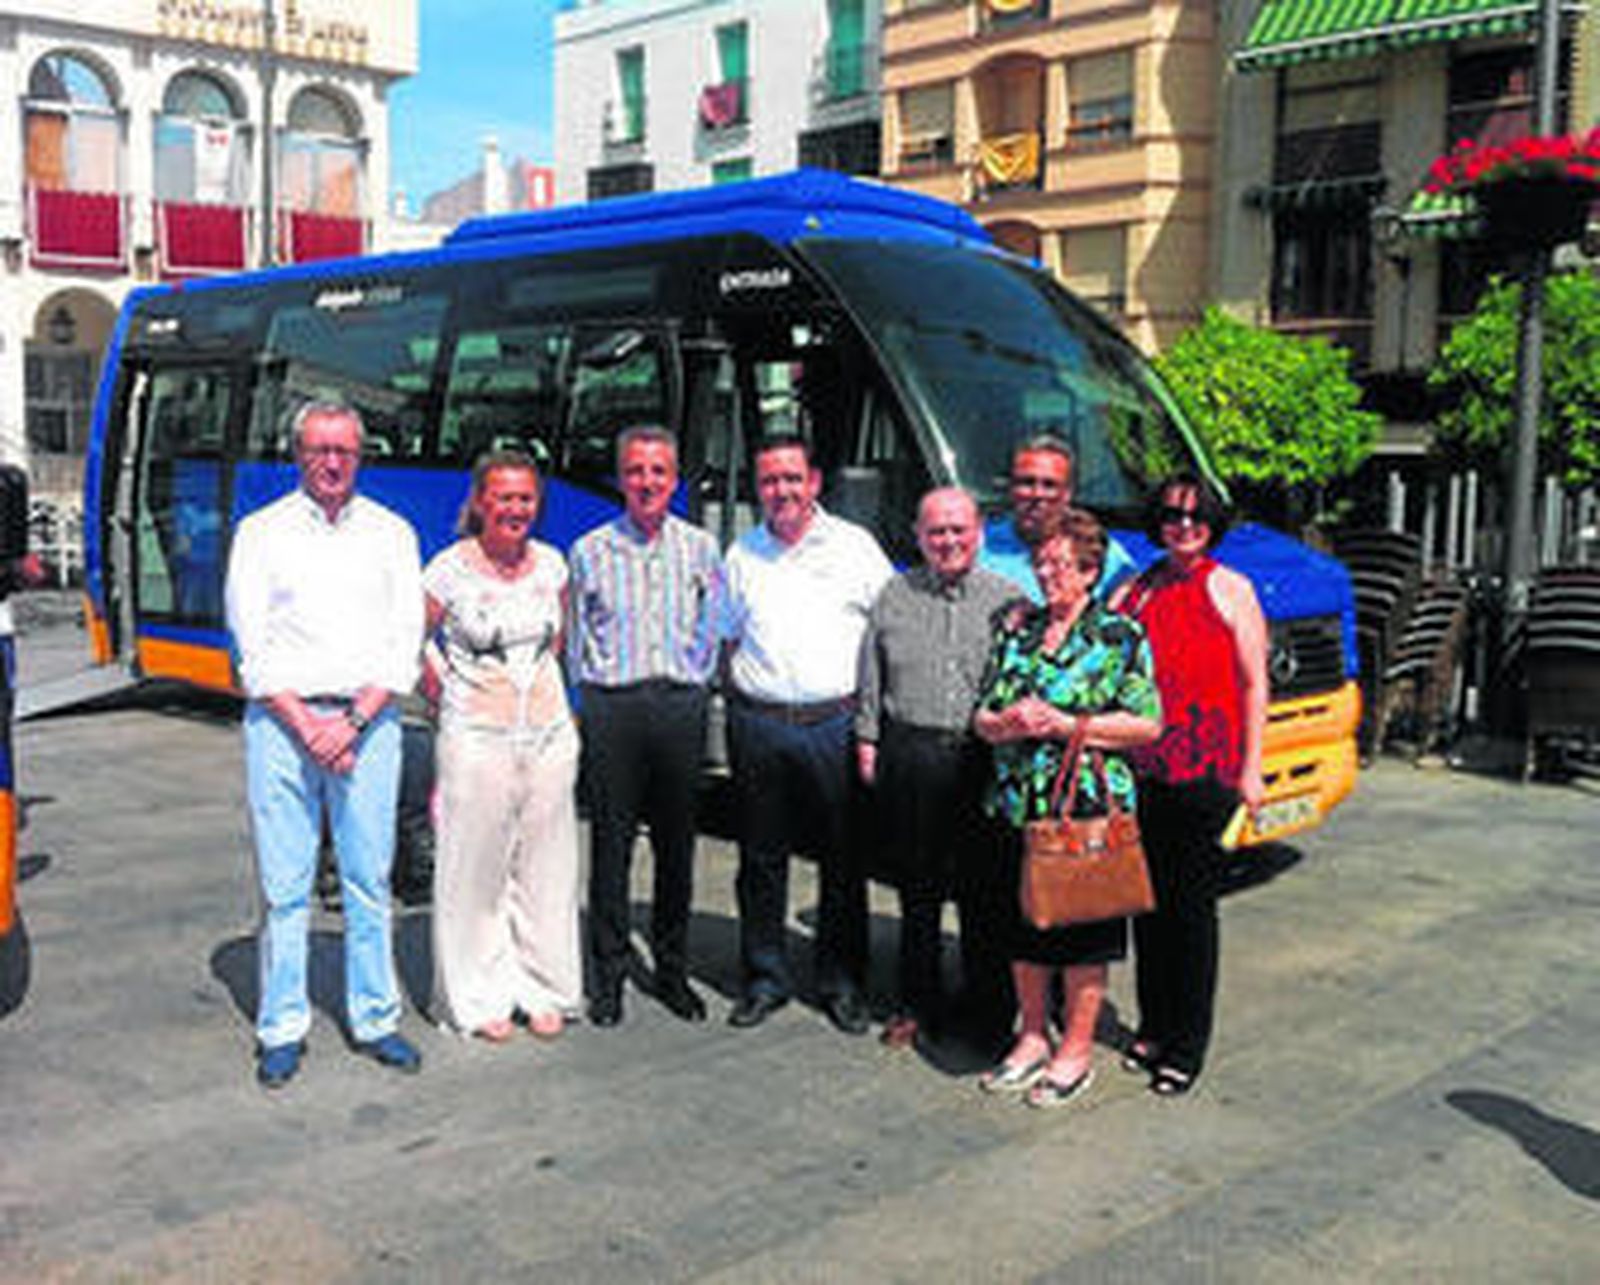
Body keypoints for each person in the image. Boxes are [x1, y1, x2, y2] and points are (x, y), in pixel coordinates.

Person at [225, 403, 424, 1089]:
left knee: (369, 880)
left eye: (344, 450)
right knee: (285, 888)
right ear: (298, 454)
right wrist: (308, 726)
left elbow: (404, 639)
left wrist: (354, 722)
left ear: (361, 455)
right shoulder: (260, 532)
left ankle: (375, 1017)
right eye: (318, 450)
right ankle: (281, 1026)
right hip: (282, 727)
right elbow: (250, 645)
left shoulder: (393, 534)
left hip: (369, 725)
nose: (332, 462)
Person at [973, 508, 1160, 1108]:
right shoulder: (1018, 632)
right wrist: (1004, 723)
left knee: (1082, 936)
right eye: (1041, 563)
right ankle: (1030, 1037)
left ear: (1090, 570)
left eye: (1059, 564)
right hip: (1016, 804)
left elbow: (1147, 723)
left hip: (1086, 809)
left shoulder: (1120, 636)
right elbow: (982, 714)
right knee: (1022, 927)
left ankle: (1075, 1052)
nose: (1047, 574)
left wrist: (1068, 725)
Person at [722, 434, 893, 1033]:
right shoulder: (742, 554)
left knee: (844, 862)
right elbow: (725, 637)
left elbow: (886, 630)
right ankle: (764, 978)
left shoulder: (855, 548)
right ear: (757, 487)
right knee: (760, 860)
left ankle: (842, 983)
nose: (782, 491)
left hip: (834, 724)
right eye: (770, 480)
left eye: (792, 478)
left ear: (814, 482)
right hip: (761, 725)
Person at [1111, 473, 1267, 1097]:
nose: (1183, 526)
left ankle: (1186, 1043)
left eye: (1196, 516)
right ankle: (1151, 1025)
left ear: (1212, 524)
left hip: (1206, 771)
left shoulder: (1231, 588)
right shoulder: (1135, 589)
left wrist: (1253, 768)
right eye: (1173, 515)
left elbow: (1256, 684)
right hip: (1143, 769)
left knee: (1191, 912)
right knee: (1145, 907)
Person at [422, 450, 583, 1042]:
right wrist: (438, 680)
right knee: (476, 870)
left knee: (547, 867)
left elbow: (556, 642)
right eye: (504, 497)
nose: (516, 508)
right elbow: (410, 635)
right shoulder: (448, 570)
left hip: (547, 737)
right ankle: (478, 995)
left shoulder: (552, 565)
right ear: (481, 502)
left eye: (525, 498)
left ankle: (542, 987)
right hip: (475, 738)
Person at [568, 426, 723, 1027]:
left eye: (659, 471)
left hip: (679, 708)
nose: (647, 482)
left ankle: (672, 970)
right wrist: (592, 700)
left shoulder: (701, 549)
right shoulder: (590, 551)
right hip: (615, 710)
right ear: (621, 478)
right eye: (636, 470)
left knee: (677, 849)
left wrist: (697, 680)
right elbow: (576, 636)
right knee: (611, 848)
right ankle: (607, 976)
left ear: (675, 479)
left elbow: (714, 625)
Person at [856, 487, 1018, 1050]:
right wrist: (868, 739)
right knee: (918, 890)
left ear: (978, 533)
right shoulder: (893, 595)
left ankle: (987, 1011)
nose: (947, 541)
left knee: (984, 895)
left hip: (980, 759)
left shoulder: (1008, 601)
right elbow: (871, 673)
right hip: (912, 755)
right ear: (919, 535)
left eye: (958, 530)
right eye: (936, 532)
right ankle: (915, 1004)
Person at [978, 435, 1135, 601]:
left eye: (1049, 485)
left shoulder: (1101, 553)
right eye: (1027, 483)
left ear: (1068, 493)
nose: (1037, 494)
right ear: (1011, 488)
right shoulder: (979, 545)